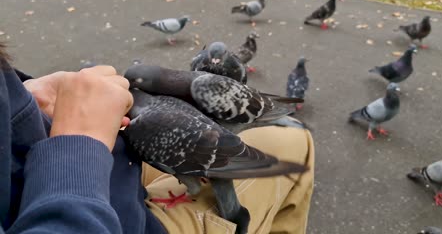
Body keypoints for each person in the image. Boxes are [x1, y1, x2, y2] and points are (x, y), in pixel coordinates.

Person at [0, 43, 314, 234]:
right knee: (296, 143)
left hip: (102, 165)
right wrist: (78, 143)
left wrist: (21, 103)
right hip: (113, 215)